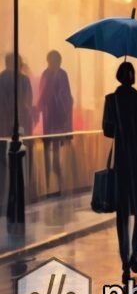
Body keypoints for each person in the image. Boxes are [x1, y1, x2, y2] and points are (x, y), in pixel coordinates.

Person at [102, 62, 137, 282]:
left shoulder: (111, 100)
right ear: (134, 77)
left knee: (122, 213)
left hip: (121, 162)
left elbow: (108, 130)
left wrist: (120, 124)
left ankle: (124, 261)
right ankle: (136, 252)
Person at [38, 50, 72, 192]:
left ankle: (57, 181)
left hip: (59, 117)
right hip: (49, 116)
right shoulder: (46, 74)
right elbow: (42, 94)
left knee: (56, 147)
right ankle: (48, 182)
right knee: (48, 146)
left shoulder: (62, 74)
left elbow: (67, 95)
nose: (54, 63)